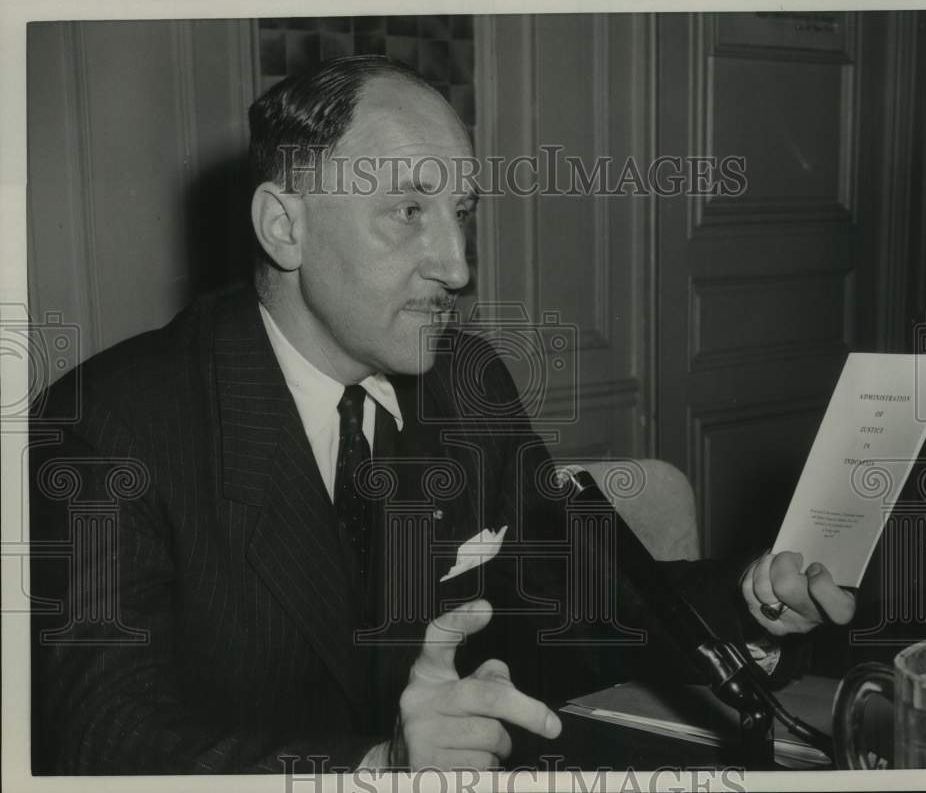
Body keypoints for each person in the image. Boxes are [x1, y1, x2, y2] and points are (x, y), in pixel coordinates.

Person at [29, 55, 856, 775]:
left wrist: (747, 602)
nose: (458, 266)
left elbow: (581, 599)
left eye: (462, 212)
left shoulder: (469, 383)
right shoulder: (109, 423)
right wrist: (375, 765)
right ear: (285, 226)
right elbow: (99, 739)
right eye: (409, 211)